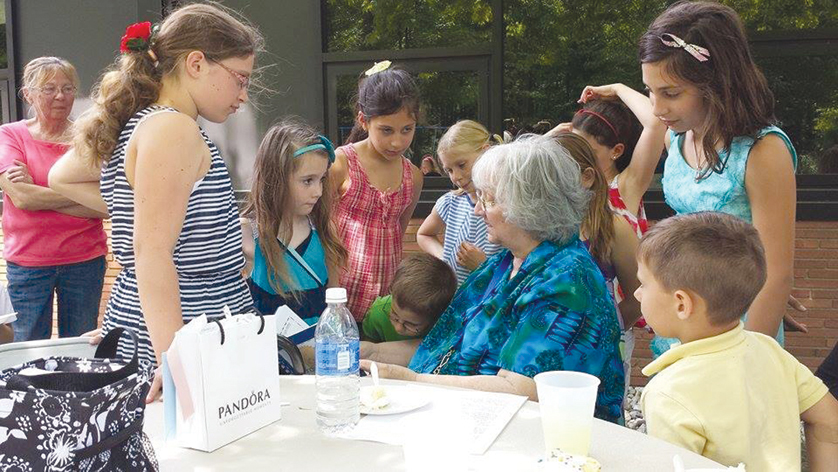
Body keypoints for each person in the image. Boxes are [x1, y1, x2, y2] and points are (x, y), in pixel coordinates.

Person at [49, 4, 262, 384]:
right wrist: (173, 358)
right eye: (240, 79)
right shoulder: (172, 129)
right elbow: (152, 252)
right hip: (188, 331)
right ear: (196, 64)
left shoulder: (141, 123)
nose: (243, 95)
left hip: (153, 322)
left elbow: (61, 175)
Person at [361, 135, 625, 423]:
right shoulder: (506, 261)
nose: (477, 210)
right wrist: (371, 353)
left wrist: (412, 381)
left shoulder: (567, 284)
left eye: (489, 200)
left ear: (528, 206)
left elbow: (522, 390)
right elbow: (450, 345)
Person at [639, 1, 796, 355]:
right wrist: (616, 88)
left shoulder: (763, 151)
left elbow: (776, 274)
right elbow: (650, 115)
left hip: (737, 335)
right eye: (650, 90)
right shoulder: (676, 136)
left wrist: (742, 365)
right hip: (680, 324)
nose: (657, 108)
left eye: (671, 93)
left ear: (717, 84)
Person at [636, 212, 838, 471]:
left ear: (681, 303)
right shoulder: (770, 351)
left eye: (644, 283)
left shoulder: (669, 393)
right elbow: (829, 420)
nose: (637, 293)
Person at [0, 57, 108, 341]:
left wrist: (38, 188)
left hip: (85, 260)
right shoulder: (10, 135)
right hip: (29, 262)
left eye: (68, 88)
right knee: (28, 346)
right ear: (28, 94)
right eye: (49, 89)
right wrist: (80, 195)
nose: (60, 96)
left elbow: (106, 203)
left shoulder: (89, 139)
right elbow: (22, 198)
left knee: (80, 344)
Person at [331, 62, 423, 320]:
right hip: (339, 298)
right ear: (364, 120)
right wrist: (330, 295)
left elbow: (398, 233)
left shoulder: (413, 177)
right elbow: (323, 236)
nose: (397, 141)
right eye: (386, 130)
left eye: (407, 130)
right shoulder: (341, 164)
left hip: (384, 305)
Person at [553, 132, 643, 392]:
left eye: (556, 178)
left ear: (587, 177)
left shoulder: (614, 228)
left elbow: (640, 291)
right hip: (551, 340)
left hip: (603, 341)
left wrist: (610, 323)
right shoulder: (537, 230)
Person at [240, 121, 347, 323]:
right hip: (267, 351)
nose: (318, 191)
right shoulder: (246, 232)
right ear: (276, 178)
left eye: (322, 179)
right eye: (307, 181)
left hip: (317, 351)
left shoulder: (324, 231)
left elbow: (335, 307)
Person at [416, 120, 503, 285]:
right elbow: (424, 234)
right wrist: (445, 257)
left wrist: (484, 265)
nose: (455, 177)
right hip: (453, 300)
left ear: (486, 152)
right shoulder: (450, 202)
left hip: (487, 302)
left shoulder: (505, 206)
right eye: (449, 170)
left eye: (461, 165)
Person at [361, 253, 457, 343]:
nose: (398, 328)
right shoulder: (378, 312)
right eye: (394, 314)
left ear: (436, 318)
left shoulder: (446, 325)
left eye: (411, 325)